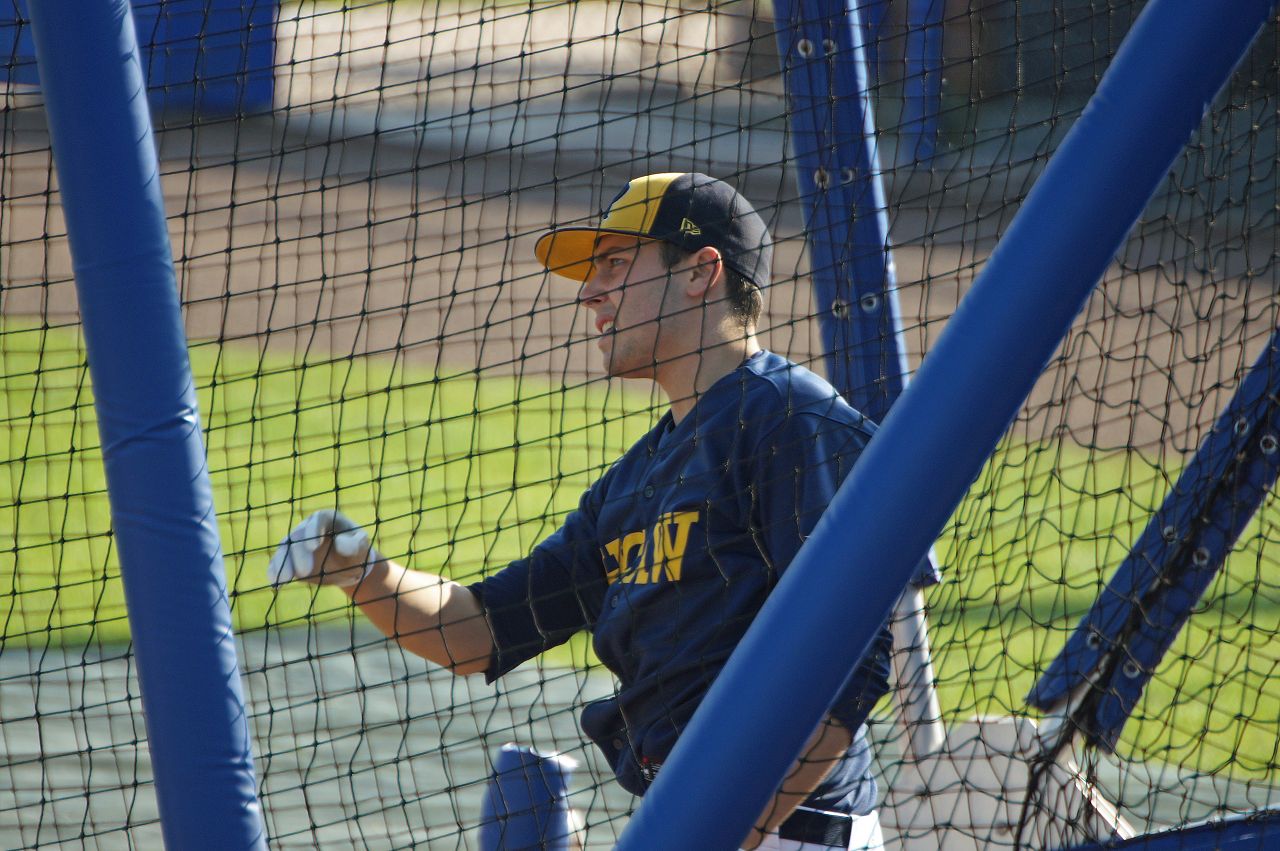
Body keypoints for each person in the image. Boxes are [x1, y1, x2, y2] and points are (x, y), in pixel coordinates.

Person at [269, 173, 893, 851]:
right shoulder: (633, 483)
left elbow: (849, 667)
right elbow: (480, 631)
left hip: (786, 828)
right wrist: (364, 573)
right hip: (692, 818)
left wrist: (724, 831)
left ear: (700, 272)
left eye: (615, 264)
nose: (590, 292)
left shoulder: (792, 421)